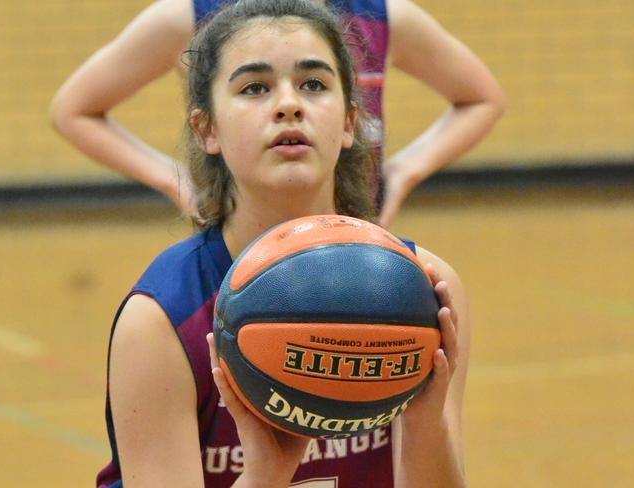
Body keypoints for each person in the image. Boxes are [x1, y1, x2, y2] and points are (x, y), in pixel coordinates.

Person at [97, 1, 470, 486]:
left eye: (313, 84)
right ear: (206, 128)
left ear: (349, 123)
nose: (289, 103)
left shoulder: (426, 290)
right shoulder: (162, 319)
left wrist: (425, 427)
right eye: (255, 87)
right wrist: (265, 473)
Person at [50, 0, 505, 228]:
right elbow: (75, 109)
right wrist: (178, 182)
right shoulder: (189, 16)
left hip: (353, 246)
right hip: (238, 251)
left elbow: (482, 98)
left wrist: (406, 170)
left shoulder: (384, 16)